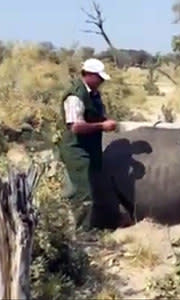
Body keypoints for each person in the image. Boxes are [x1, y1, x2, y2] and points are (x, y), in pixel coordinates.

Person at [58, 58, 118, 230]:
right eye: (99, 78)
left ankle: (96, 223)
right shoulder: (75, 96)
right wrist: (102, 126)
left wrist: (105, 121)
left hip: (90, 147)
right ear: (89, 75)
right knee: (83, 192)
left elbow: (93, 116)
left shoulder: (93, 93)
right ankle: (82, 233)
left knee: (95, 184)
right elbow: (75, 126)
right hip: (75, 149)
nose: (101, 82)